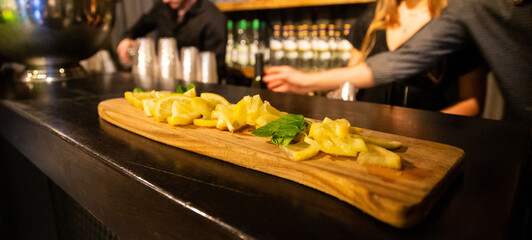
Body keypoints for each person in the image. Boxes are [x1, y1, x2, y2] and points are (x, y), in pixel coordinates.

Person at [265, 0, 531, 123]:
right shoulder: (372, 18)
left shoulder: (459, 13)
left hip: (435, 142)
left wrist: (422, 125)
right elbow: (390, 64)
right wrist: (307, 83)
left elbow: (473, 103)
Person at [116, 0, 227, 78]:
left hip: (193, 90)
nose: (165, 1)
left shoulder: (213, 17)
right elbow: (137, 29)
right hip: (160, 84)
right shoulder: (162, 8)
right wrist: (126, 40)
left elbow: (215, 68)